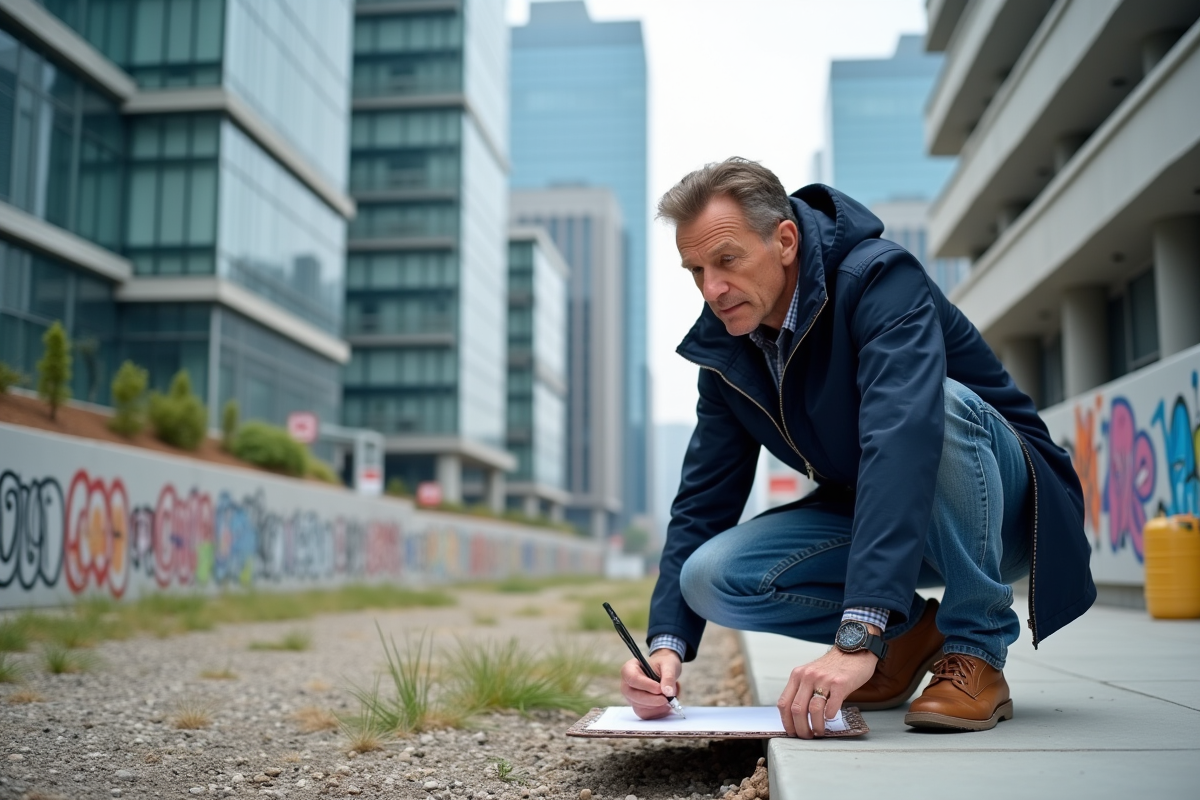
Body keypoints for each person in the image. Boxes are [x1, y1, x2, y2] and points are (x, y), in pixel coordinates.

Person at [620, 158, 1094, 737]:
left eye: (726, 260)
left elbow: (902, 439)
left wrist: (855, 633)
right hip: (889, 518)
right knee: (709, 575)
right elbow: (703, 498)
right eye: (695, 270)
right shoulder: (730, 350)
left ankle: (976, 648)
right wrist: (666, 646)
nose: (711, 289)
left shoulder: (879, 280)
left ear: (786, 240)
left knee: (936, 405)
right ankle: (910, 636)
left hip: (1009, 513)